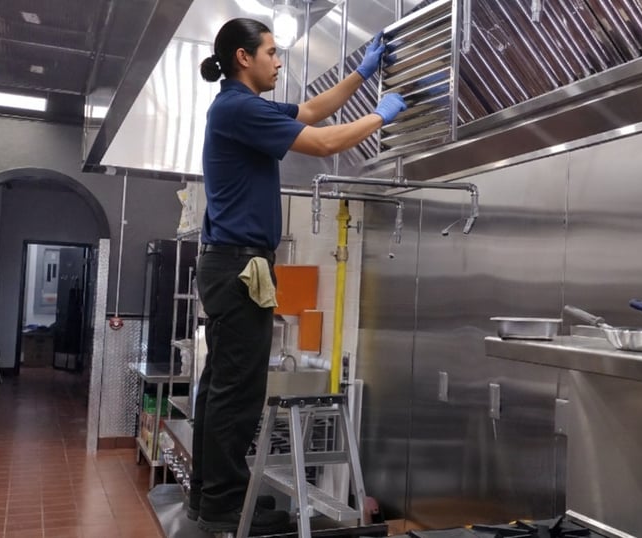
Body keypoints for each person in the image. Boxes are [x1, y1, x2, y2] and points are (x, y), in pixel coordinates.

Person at [190, 17, 407, 535]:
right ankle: (223, 508)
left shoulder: (239, 108)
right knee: (237, 393)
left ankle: (211, 499)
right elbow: (325, 142)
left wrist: (361, 73)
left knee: (220, 387)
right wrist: (380, 116)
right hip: (240, 265)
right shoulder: (239, 108)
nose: (279, 61)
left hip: (230, 262)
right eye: (272, 52)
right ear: (245, 58)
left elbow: (309, 112)